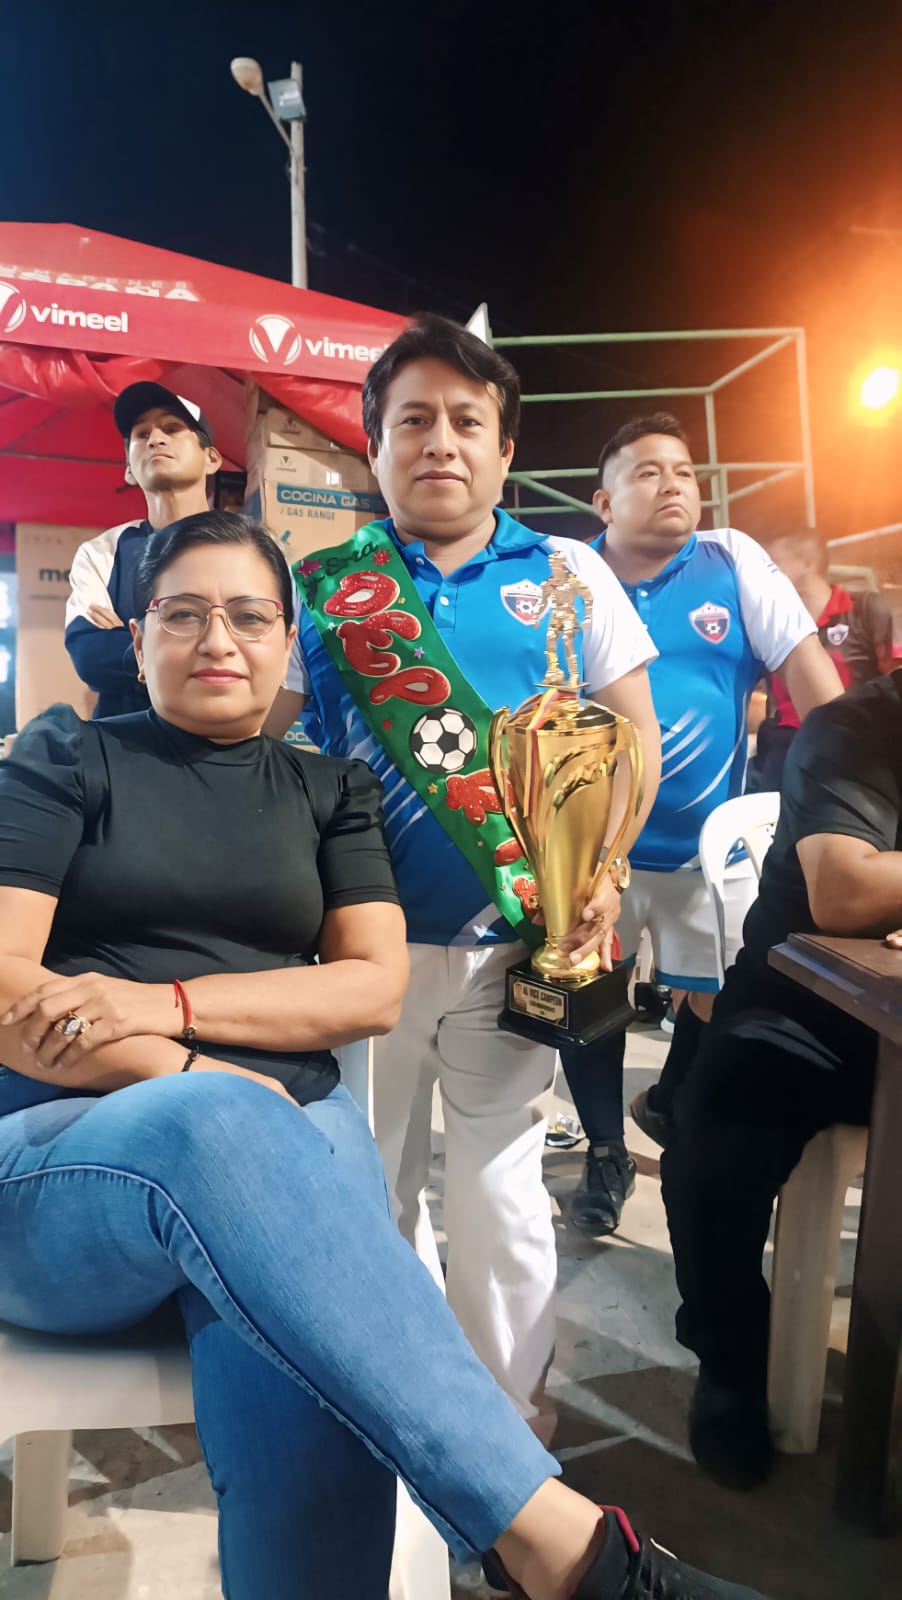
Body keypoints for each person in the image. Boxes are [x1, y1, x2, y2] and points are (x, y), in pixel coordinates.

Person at [0, 510, 769, 1600]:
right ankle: (572, 1553)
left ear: (287, 642)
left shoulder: (331, 790)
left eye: (249, 615)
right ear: (137, 637)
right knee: (230, 1136)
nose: (218, 637)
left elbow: (370, 985)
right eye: (183, 613)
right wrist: (195, 1074)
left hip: (285, 1147)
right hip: (66, 1168)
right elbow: (7, 989)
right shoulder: (64, 755)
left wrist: (157, 1006)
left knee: (311, 1368)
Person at [265, 314, 662, 1439]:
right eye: (412, 421)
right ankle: (392, 1396)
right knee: (369, 1181)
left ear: (503, 448)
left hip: (515, 940)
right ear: (375, 446)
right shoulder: (326, 586)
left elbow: (632, 739)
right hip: (360, 949)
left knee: (497, 1182)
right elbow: (265, 740)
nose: (439, 441)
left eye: (465, 422)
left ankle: (504, 1415)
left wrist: (606, 865)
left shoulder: (569, 572)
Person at [557, 414, 844, 1237]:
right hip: (594, 855)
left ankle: (671, 1102)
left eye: (683, 470)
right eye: (647, 472)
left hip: (703, 853)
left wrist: (860, 789)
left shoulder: (733, 562)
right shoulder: (567, 577)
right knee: (590, 1000)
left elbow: (819, 691)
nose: (673, 484)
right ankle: (605, 1151)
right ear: (603, 501)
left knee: (720, 999)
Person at [659, 669, 902, 1490]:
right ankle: (731, 1359)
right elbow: (844, 891)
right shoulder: (853, 731)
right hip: (807, 1007)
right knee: (717, 1136)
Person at [65, 382, 222, 717]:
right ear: (128, 470)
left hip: (216, 738)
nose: (155, 439)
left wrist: (134, 641)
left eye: (172, 428)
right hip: (120, 740)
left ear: (211, 458)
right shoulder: (101, 553)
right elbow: (90, 657)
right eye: (142, 434)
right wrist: (199, 649)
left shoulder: (247, 548)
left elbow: (254, 651)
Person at [747, 526, 894, 790]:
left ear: (807, 563)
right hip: (782, 752)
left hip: (852, 748)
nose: (764, 573)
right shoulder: (770, 622)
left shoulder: (864, 610)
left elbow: (894, 680)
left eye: (774, 562)